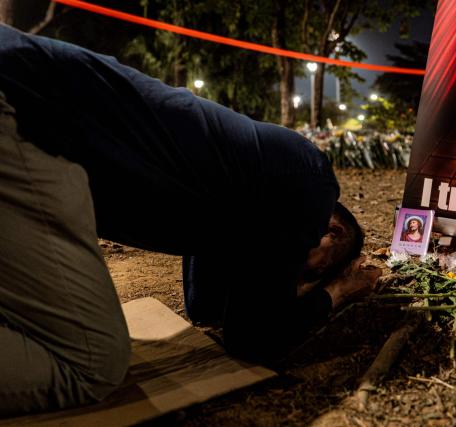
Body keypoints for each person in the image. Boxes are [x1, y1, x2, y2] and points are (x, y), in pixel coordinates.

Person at [0, 24, 381, 416]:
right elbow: (252, 339)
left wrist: (275, 295)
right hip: (22, 110)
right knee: (91, 361)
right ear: (332, 232)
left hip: (24, 101)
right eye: (312, 273)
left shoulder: (241, 194)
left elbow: (207, 307)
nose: (296, 276)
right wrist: (337, 292)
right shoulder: (312, 185)